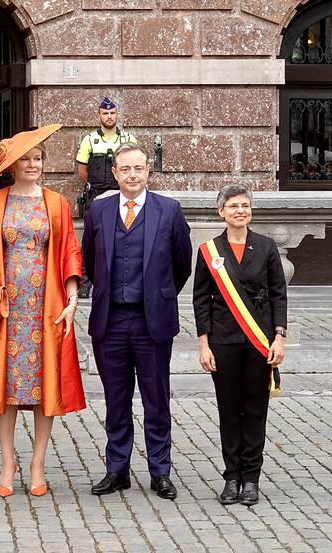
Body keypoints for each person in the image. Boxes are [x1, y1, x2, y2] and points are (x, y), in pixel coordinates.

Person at [0, 124, 85, 498]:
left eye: (38, 158)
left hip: (46, 305)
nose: (33, 164)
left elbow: (69, 253)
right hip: (7, 309)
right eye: (26, 159)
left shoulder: (56, 202)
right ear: (12, 167)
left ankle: (38, 463)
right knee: (7, 385)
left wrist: (73, 300)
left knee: (46, 385)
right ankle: (8, 460)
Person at [82, 143, 192, 501]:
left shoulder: (169, 211)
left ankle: (160, 471)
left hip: (152, 322)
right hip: (110, 319)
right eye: (125, 169)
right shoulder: (99, 211)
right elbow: (89, 260)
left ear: (148, 172)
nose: (132, 175)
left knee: (156, 398)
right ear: (115, 173)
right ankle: (117, 470)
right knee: (116, 399)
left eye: (138, 169)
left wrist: (158, 295)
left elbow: (181, 264)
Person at [193, 184, 287, 506]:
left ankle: (251, 479)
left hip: (258, 341)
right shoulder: (209, 251)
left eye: (245, 205)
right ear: (221, 212)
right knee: (229, 410)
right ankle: (231, 478)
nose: (240, 211)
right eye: (233, 205)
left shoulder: (266, 247)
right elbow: (200, 300)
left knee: (255, 410)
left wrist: (279, 336)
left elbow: (278, 294)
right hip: (223, 341)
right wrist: (203, 345)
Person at [75, 97, 137, 298]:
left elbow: (135, 164)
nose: (109, 117)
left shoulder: (128, 139)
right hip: (98, 196)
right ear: (99, 115)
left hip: (122, 195)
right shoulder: (90, 140)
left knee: (124, 238)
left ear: (117, 115)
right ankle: (85, 282)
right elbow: (82, 170)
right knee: (90, 240)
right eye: (105, 113)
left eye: (112, 113)